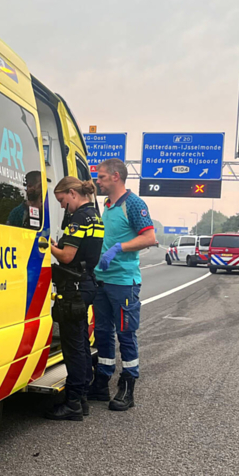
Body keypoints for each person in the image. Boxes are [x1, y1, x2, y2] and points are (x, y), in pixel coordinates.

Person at [89, 158, 157, 412]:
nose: (98, 181)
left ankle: (127, 386)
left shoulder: (134, 203)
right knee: (103, 333)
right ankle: (102, 381)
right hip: (102, 280)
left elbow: (150, 237)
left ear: (116, 176)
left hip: (124, 282)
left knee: (126, 334)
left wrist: (119, 248)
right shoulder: (107, 205)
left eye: (102, 177)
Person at [45, 176, 103, 421]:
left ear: (72, 193)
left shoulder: (79, 218)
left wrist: (46, 244)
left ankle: (73, 404)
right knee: (80, 343)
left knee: (73, 348)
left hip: (75, 287)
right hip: (86, 282)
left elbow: (67, 256)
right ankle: (81, 400)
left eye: (61, 200)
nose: (61, 206)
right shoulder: (94, 216)